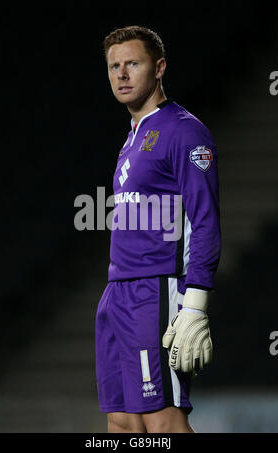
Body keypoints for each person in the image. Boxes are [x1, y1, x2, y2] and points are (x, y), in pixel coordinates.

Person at [95, 25, 221, 433]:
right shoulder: (132, 138)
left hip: (156, 293)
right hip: (118, 292)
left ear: (160, 67)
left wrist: (195, 305)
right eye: (114, 66)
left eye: (133, 63)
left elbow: (204, 221)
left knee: (163, 422)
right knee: (123, 423)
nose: (122, 74)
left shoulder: (184, 130)